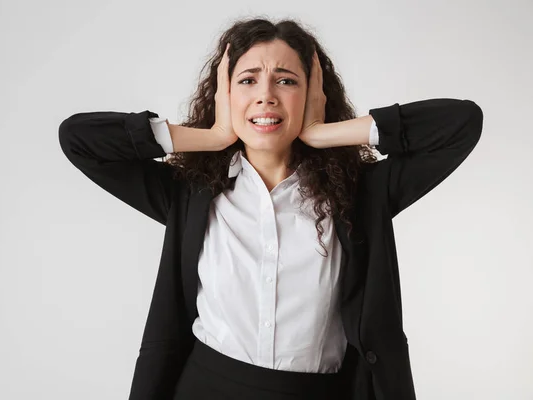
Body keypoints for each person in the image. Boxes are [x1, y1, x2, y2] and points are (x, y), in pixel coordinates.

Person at [58, 17, 483, 400]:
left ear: (314, 94)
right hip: (202, 387)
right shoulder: (191, 193)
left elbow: (460, 124)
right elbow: (79, 140)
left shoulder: (360, 193)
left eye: (286, 81)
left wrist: (324, 132)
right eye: (246, 81)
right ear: (224, 94)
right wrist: (214, 135)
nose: (265, 95)